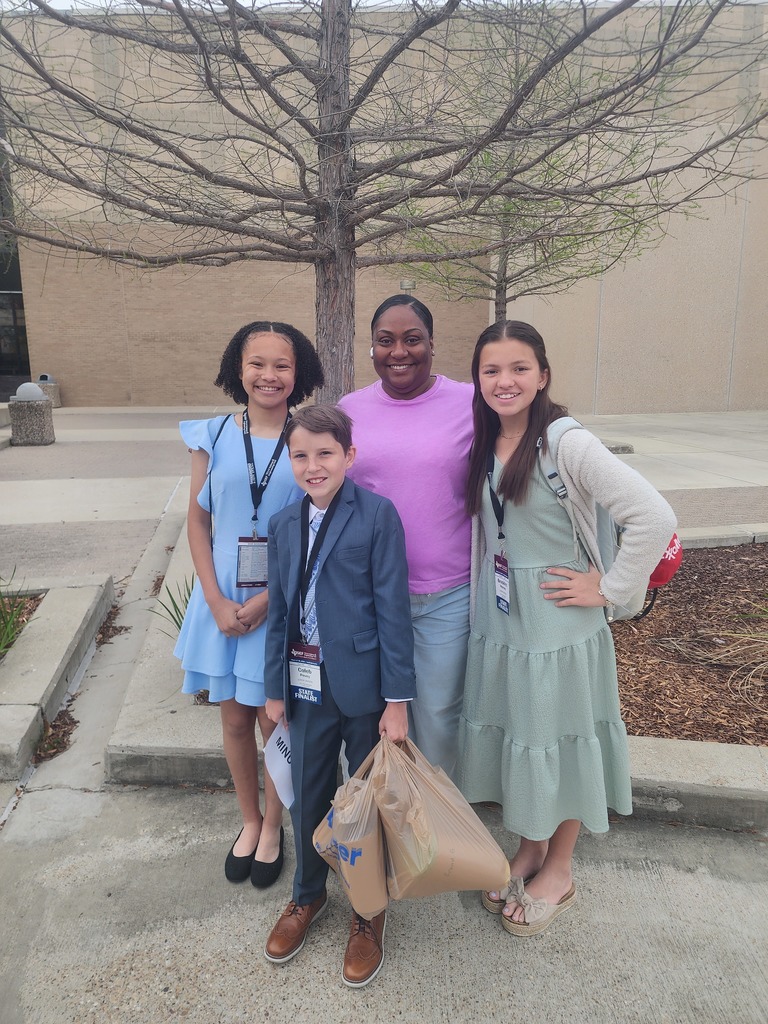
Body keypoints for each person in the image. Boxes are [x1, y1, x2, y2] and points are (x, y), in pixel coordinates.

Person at [459, 320, 677, 935]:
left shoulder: (564, 441)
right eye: (491, 370)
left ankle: (559, 866)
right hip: (505, 624)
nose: (505, 382)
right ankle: (529, 848)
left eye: (519, 368)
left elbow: (652, 515)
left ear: (543, 375)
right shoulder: (487, 439)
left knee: (564, 740)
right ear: (477, 380)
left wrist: (609, 589)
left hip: (559, 628)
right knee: (527, 738)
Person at [263, 404, 416, 988]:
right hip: (303, 690)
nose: (312, 465)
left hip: (365, 687)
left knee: (364, 799)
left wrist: (397, 700)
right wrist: (275, 690)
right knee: (307, 791)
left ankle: (368, 910)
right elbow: (279, 613)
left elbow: (393, 612)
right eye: (300, 455)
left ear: (349, 457)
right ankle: (307, 895)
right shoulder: (282, 524)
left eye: (324, 453)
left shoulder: (377, 516)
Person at [174, 320, 324, 887]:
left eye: (281, 365)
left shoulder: (308, 434)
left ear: (298, 372)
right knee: (234, 719)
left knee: (273, 720)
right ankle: (249, 819)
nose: (269, 375)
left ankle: (274, 827)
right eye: (257, 363)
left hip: (279, 604)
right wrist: (213, 598)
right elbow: (198, 519)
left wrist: (266, 600)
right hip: (220, 604)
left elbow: (313, 527)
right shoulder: (210, 434)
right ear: (238, 369)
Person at [337, 295, 474, 779]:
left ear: (432, 345)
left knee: (437, 715)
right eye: (386, 340)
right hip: (369, 596)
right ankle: (389, 821)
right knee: (375, 719)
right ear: (371, 348)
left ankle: (438, 834)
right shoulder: (348, 411)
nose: (399, 351)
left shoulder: (470, 402)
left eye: (412, 339)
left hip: (447, 595)